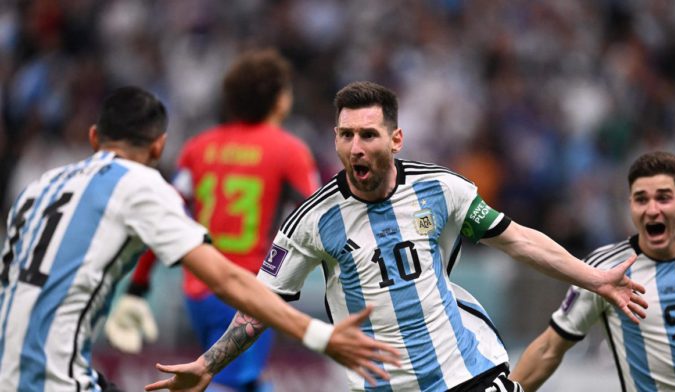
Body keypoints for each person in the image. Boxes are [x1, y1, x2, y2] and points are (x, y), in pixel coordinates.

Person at [145, 81, 648, 392]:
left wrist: (597, 279)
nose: (356, 148)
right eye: (346, 136)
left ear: (395, 139)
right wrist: (208, 365)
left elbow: (515, 239)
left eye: (368, 135)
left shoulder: (439, 189)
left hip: (465, 375)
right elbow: (258, 305)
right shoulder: (312, 221)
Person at [0, 86, 399, 392]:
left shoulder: (39, 185)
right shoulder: (142, 184)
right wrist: (318, 333)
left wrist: (137, 288)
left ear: (93, 137)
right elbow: (226, 280)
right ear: (158, 146)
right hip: (56, 378)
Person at [104, 48, 320, 392]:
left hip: (198, 292)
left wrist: (138, 285)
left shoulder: (197, 148)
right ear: (279, 99)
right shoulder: (289, 150)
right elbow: (318, 217)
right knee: (224, 383)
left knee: (243, 382)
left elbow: (163, 218)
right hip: (249, 293)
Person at [510, 151, 675, 391]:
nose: (652, 209)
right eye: (641, 199)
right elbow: (549, 349)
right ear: (630, 205)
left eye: (663, 198)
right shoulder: (605, 270)